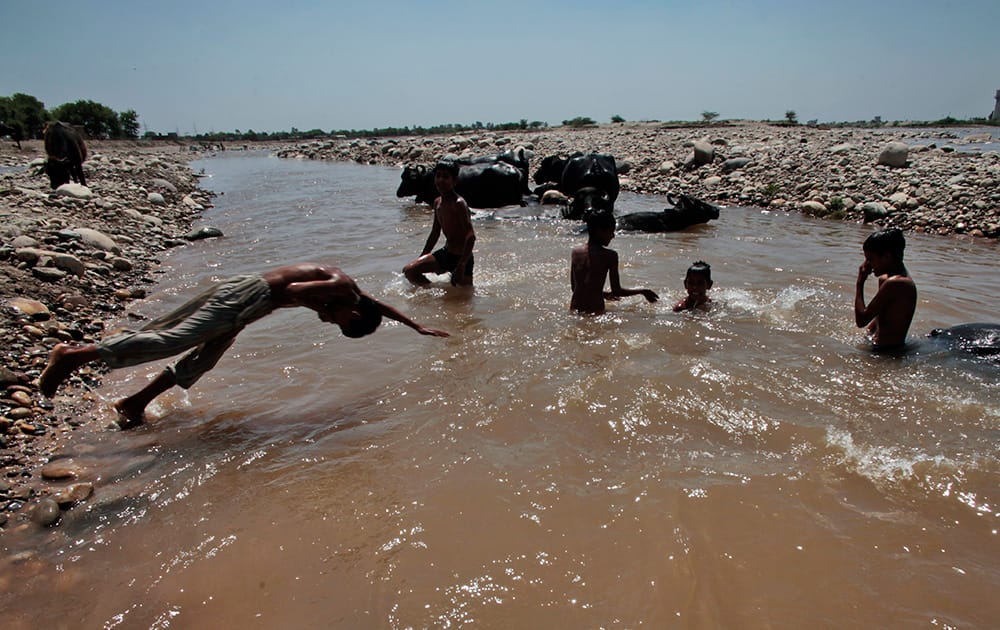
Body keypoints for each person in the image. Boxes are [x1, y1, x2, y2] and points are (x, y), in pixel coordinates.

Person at [38, 263, 450, 428]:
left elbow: (381, 306)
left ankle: (134, 403)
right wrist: (316, 308)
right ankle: (74, 356)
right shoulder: (339, 288)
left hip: (250, 309)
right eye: (337, 323)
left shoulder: (354, 299)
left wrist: (416, 327)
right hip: (246, 297)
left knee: (202, 361)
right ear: (352, 315)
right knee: (176, 339)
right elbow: (294, 288)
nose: (329, 322)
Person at [403, 159, 476, 287]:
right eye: (438, 176)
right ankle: (433, 292)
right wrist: (422, 256)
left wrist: (461, 266)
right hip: (446, 253)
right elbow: (435, 233)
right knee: (409, 271)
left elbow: (471, 236)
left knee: (463, 297)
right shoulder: (437, 202)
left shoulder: (459, 204)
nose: (441, 180)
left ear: (454, 181)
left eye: (446, 177)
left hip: (462, 258)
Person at [570, 210, 659, 314]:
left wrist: (604, 294)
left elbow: (574, 288)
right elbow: (617, 291)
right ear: (599, 231)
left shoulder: (576, 252)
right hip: (595, 312)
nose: (613, 236)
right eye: (610, 231)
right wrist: (643, 291)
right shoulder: (610, 255)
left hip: (574, 310)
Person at [854, 228, 917, 351]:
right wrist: (868, 336)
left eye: (870, 259)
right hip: (879, 348)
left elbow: (861, 321)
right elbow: (879, 315)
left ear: (887, 257)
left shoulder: (896, 283)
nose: (867, 265)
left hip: (888, 354)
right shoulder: (887, 279)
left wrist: (860, 282)